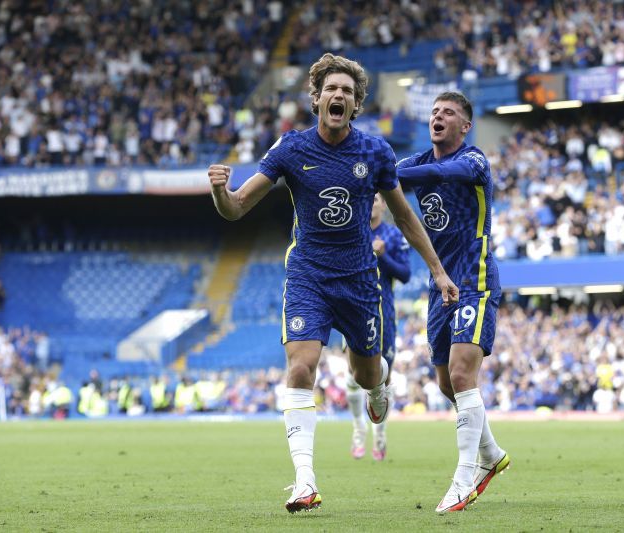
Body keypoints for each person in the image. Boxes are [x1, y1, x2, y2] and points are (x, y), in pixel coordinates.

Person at [207, 53, 458, 513]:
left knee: (364, 375)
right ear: (316, 99)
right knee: (301, 366)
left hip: (361, 280)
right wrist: (221, 190)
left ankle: (380, 387)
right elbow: (238, 207)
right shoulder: (290, 149)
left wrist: (438, 270)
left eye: (347, 90)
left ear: (356, 104)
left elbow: (404, 216)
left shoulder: (375, 152)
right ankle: (305, 480)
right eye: (331, 89)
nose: (338, 95)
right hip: (308, 274)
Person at [395, 91, 510, 513]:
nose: (438, 117)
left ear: (465, 126)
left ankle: (463, 479)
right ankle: (492, 455)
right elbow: (386, 174)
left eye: (449, 113)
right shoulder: (415, 164)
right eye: (435, 112)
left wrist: (405, 173)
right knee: (446, 383)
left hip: (474, 274)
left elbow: (453, 171)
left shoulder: (476, 160)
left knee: (463, 375)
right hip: (439, 281)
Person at [347, 193, 411, 461]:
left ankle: (380, 433)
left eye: (376, 199)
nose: (372, 203)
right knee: (353, 375)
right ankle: (358, 429)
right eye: (368, 199)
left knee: (383, 378)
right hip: (355, 309)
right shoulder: (353, 232)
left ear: (384, 203)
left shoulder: (394, 236)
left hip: (384, 313)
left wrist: (383, 255)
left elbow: (405, 274)